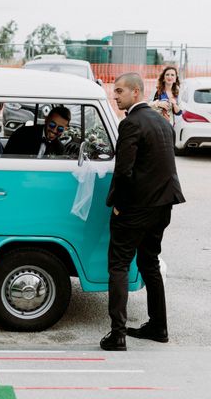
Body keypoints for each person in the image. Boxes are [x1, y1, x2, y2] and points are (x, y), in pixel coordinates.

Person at [100, 72, 185, 351]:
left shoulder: (131, 123)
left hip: (136, 208)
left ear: (136, 92)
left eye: (120, 91)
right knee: (149, 263)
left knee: (119, 265)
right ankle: (158, 327)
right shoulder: (161, 122)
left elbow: (123, 171)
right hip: (162, 206)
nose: (115, 96)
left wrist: (118, 206)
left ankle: (117, 334)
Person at [3, 106, 71, 157]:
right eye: (52, 125)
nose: (54, 130)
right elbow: (7, 159)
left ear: (65, 129)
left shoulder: (59, 149)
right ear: (46, 119)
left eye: (60, 129)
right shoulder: (22, 134)